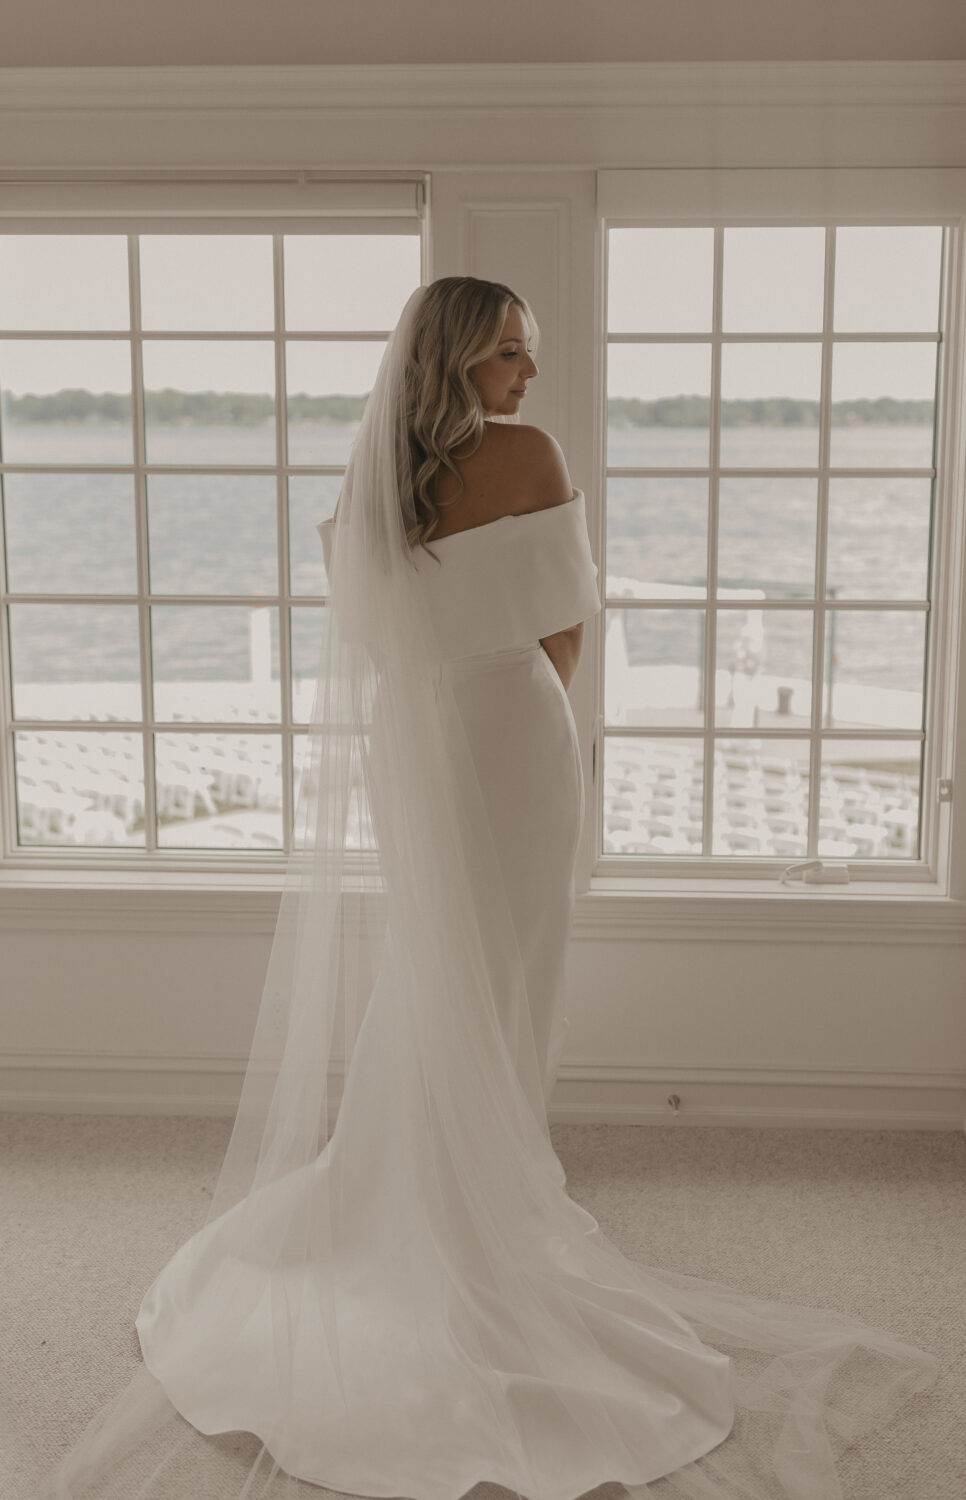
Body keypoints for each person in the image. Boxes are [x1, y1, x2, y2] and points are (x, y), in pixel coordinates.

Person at [43, 277, 937, 1500]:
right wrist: (514, 692)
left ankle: (427, 1182)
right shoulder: (528, 454)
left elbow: (371, 638)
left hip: (413, 740)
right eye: (511, 356)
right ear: (459, 363)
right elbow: (568, 629)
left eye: (529, 356)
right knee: (513, 970)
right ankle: (489, 1194)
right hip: (511, 735)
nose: (527, 379)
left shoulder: (371, 476)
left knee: (436, 966)